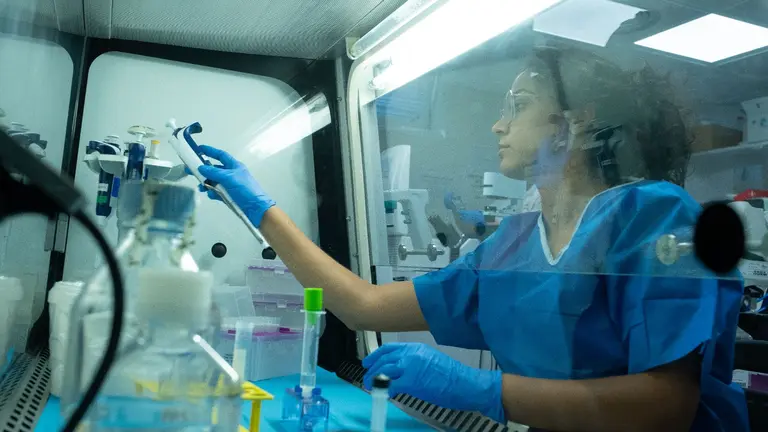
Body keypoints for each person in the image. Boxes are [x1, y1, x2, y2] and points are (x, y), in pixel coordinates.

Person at [193, 46, 748, 431]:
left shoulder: (650, 214)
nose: (496, 125)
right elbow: (364, 307)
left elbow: (666, 407)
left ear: (574, 122)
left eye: (517, 105)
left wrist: (483, 392)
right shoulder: (514, 243)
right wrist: (260, 209)